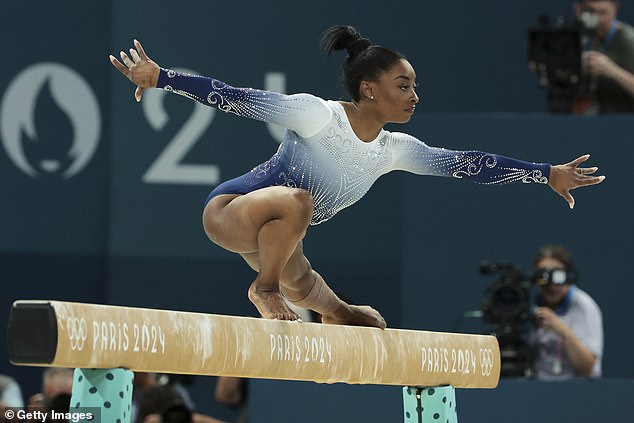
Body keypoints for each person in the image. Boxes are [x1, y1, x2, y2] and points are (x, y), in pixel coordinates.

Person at [109, 25, 605, 328]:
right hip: (233, 210)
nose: (415, 96)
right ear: (369, 89)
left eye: (415, 86)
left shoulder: (394, 150)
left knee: (323, 297)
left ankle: (337, 312)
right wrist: (163, 78)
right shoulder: (317, 115)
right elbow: (235, 97)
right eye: (402, 85)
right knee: (297, 203)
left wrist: (544, 174)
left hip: (281, 239)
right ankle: (262, 288)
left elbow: (467, 164)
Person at [529, 245, 603, 380]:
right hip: (539, 389)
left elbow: (587, 368)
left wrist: (562, 329)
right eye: (544, 276)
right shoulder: (531, 306)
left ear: (568, 276)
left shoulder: (584, 306)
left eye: (557, 276)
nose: (551, 286)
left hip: (576, 391)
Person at [574, 0, 634, 113]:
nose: (599, 20)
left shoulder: (628, 40)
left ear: (615, 9)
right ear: (578, 10)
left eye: (603, 12)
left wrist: (611, 70)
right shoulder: (585, 38)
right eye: (592, 12)